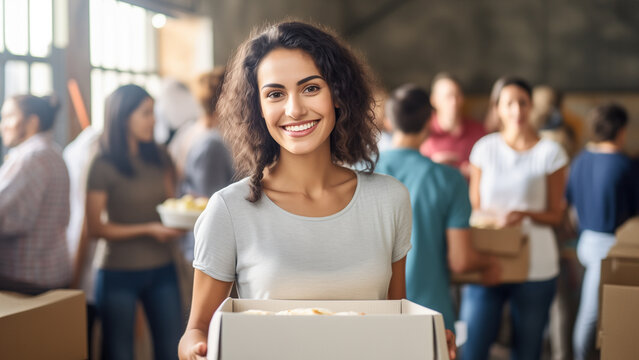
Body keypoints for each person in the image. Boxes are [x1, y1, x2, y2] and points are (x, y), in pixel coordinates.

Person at [178, 21, 457, 360]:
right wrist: (195, 349)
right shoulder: (229, 210)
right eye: (275, 94)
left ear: (338, 95)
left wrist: (424, 340)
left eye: (310, 88)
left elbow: (393, 317)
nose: (294, 109)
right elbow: (197, 329)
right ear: (257, 108)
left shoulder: (388, 199)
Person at [376, 84, 501, 333]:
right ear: (430, 121)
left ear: (389, 122)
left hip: (372, 311)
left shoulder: (360, 171)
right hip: (429, 314)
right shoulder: (448, 179)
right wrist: (490, 264)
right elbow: (461, 260)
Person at [459, 77, 569, 360]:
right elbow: (475, 205)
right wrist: (494, 220)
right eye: (509, 103)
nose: (517, 110)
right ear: (497, 108)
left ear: (531, 105)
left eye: (522, 102)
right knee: (472, 347)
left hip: (536, 266)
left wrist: (524, 214)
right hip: (488, 259)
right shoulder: (485, 148)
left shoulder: (551, 153)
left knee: (528, 351)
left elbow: (556, 215)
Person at [86, 84, 184, 360]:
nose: (153, 120)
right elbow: (96, 228)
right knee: (119, 353)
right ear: (122, 116)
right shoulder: (102, 163)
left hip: (163, 267)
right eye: (146, 113)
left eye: (153, 113)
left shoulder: (160, 155)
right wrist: (148, 230)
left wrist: (189, 210)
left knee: (172, 350)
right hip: (117, 271)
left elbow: (171, 205)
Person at [567, 103, 639, 360]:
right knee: (591, 315)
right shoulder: (625, 165)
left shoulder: (580, 161)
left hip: (584, 242)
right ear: (621, 130)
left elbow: (571, 206)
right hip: (612, 247)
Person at [168, 67, 235, 310]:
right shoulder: (212, 144)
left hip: (193, 244)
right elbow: (216, 204)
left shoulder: (190, 132)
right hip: (206, 248)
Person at [0, 94, 70, 294]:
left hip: (25, 277)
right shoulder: (53, 152)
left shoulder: (30, 157)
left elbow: (14, 218)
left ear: (32, 121)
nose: (3, 125)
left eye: (9, 117)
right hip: (52, 270)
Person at [420, 73, 485, 178]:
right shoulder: (421, 133)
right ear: (434, 100)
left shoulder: (480, 132)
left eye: (457, 95)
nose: (454, 102)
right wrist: (432, 166)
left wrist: (477, 172)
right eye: (448, 96)